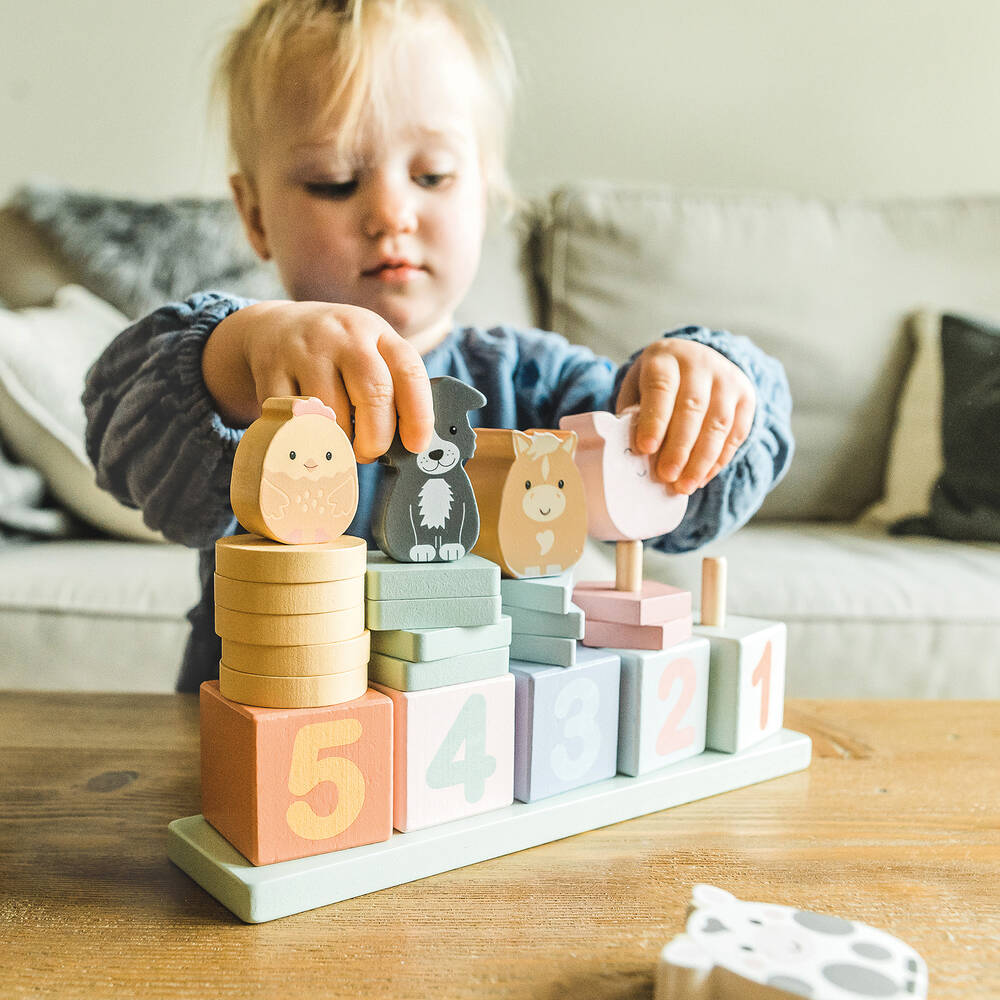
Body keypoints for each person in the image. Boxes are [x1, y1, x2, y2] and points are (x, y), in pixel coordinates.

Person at [83, 0, 793, 692]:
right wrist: (237, 356)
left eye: (432, 176)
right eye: (334, 182)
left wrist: (711, 388)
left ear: (485, 194)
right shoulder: (252, 375)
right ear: (255, 215)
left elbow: (687, 506)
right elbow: (122, 438)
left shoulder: (535, 387)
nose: (391, 212)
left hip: (486, 742)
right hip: (259, 737)